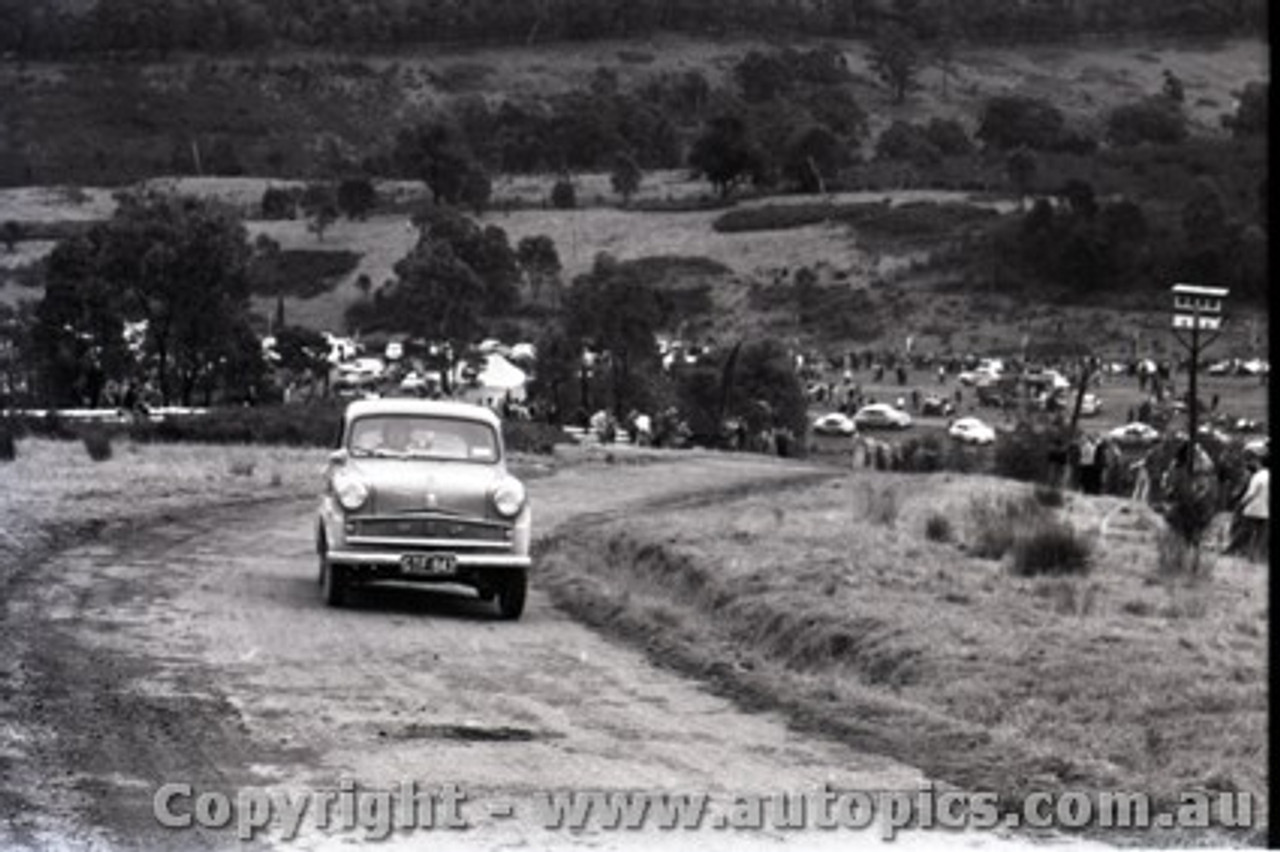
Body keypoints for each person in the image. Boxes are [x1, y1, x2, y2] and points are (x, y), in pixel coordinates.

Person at [1231, 457, 1269, 561]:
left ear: (1260, 464)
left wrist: (1242, 503)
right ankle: (1258, 557)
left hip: (1253, 509)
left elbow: (1251, 493)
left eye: (1257, 462)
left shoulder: (1258, 476)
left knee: (1245, 532)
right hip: (1266, 511)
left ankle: (1238, 552)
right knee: (1261, 537)